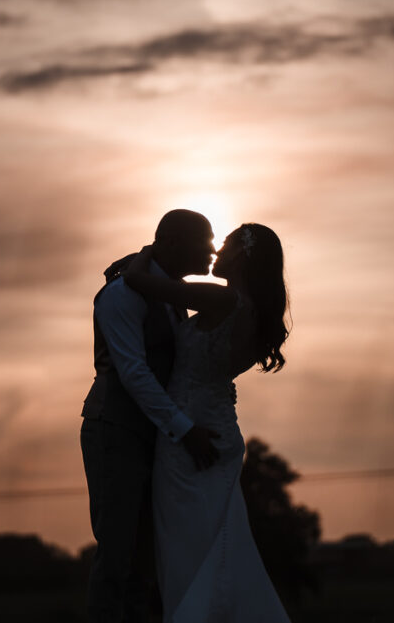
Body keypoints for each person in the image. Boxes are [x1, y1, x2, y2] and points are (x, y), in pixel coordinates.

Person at [121, 222, 292, 623]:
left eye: (226, 244)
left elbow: (138, 281)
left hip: (189, 439)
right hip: (216, 430)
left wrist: (147, 251)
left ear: (243, 255)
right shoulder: (253, 312)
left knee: (185, 551)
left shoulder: (222, 299)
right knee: (212, 546)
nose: (216, 252)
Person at [80, 209, 223, 623]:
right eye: (205, 240)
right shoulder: (122, 294)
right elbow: (133, 373)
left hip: (156, 436)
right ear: (174, 242)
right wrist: (185, 430)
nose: (213, 250)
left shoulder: (171, 294)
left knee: (145, 561)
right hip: (115, 430)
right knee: (116, 554)